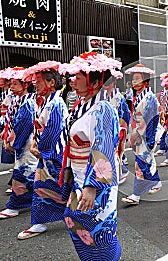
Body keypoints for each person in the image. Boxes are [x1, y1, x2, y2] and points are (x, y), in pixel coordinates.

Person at [60, 51, 121, 261]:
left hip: (96, 180)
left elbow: (102, 146)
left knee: (99, 227)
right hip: (78, 172)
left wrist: (91, 186)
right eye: (73, 76)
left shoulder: (102, 107)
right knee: (73, 219)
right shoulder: (80, 106)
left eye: (78, 77)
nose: (72, 81)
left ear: (94, 81)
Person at [15, 61, 69, 239]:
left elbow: (54, 130)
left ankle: (75, 216)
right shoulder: (45, 102)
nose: (35, 84)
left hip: (55, 153)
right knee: (41, 186)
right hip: (46, 153)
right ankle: (40, 222)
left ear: (51, 83)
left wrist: (41, 148)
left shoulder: (56, 104)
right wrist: (36, 145)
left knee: (64, 187)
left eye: (39, 80)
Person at [0, 67, 38, 219]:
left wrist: (13, 144)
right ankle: (33, 200)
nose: (11, 86)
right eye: (10, 84)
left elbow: (24, 126)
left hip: (25, 141)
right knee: (27, 172)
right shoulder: (19, 100)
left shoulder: (28, 102)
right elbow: (14, 123)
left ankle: (15, 205)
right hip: (22, 140)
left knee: (23, 172)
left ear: (25, 85)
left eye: (14, 84)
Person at [121, 64, 162, 205]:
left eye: (137, 79)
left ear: (145, 80)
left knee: (140, 163)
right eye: (133, 79)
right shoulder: (138, 96)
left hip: (145, 134)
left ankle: (136, 194)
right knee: (146, 161)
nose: (134, 82)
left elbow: (150, 119)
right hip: (138, 132)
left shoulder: (149, 98)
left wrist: (141, 135)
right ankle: (156, 182)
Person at [102, 71, 131, 185]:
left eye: (108, 83)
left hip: (115, 129)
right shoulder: (99, 96)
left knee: (114, 155)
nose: (105, 86)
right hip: (102, 130)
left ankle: (119, 172)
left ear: (114, 82)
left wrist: (121, 132)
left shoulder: (118, 98)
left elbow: (124, 117)